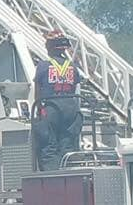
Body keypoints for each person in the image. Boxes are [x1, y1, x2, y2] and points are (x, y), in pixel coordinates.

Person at [31, 31, 83, 171]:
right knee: (68, 145)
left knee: (48, 145)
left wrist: (39, 109)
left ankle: (51, 176)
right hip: (71, 109)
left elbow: (38, 89)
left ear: (51, 47)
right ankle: (70, 173)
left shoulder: (43, 66)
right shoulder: (72, 67)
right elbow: (75, 87)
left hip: (51, 108)